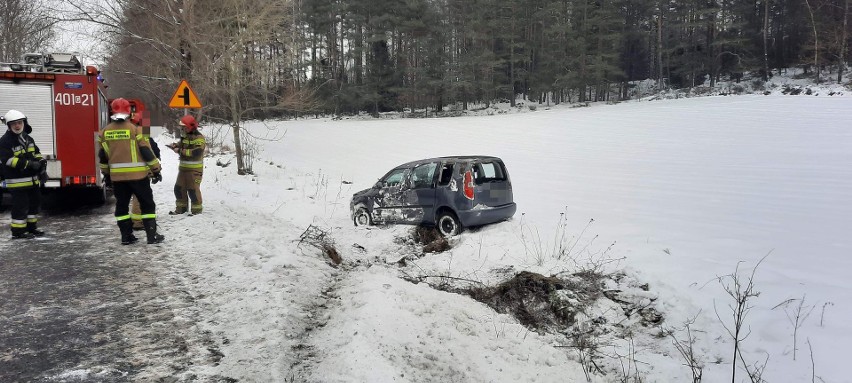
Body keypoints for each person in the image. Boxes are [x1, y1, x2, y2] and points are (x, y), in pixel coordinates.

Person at [98, 98, 164, 245]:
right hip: (139, 177)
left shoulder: (104, 133)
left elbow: (103, 157)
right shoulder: (135, 130)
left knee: (121, 206)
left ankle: (126, 236)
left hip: (118, 179)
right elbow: (146, 151)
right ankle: (151, 236)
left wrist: (107, 175)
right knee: (147, 205)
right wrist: (156, 170)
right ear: (129, 111)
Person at [0, 110, 47, 239]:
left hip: (32, 180)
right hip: (17, 182)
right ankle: (18, 232)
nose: (17, 126)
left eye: (19, 123)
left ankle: (31, 228)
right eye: (14, 123)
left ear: (24, 123)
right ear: (9, 125)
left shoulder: (27, 138)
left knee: (34, 204)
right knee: (21, 206)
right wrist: (29, 164)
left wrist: (41, 162)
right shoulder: (5, 141)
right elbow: (8, 160)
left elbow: (36, 153)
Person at [167, 115, 205, 215]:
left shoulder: (199, 137)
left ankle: (196, 211)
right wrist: (175, 146)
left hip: (194, 171)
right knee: (178, 189)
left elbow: (197, 152)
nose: (182, 129)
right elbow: (181, 145)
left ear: (190, 126)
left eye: (184, 127)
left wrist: (180, 151)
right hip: (183, 170)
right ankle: (181, 209)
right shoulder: (185, 136)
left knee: (193, 190)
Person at [129, 111, 161, 230]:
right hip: (139, 170)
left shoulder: (128, 132)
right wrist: (156, 170)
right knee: (139, 196)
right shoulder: (141, 133)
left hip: (126, 170)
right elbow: (150, 152)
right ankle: (138, 222)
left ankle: (134, 220)